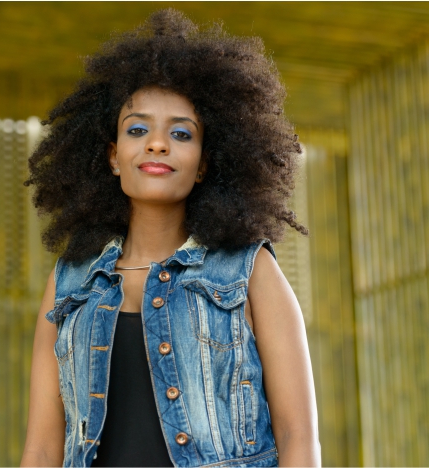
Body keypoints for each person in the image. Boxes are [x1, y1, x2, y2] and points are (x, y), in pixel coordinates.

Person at [20, 9, 320, 468]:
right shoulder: (70, 283)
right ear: (114, 157)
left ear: (203, 163)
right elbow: (42, 450)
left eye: (181, 133)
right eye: (137, 129)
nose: (157, 143)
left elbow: (298, 437)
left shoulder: (249, 270)